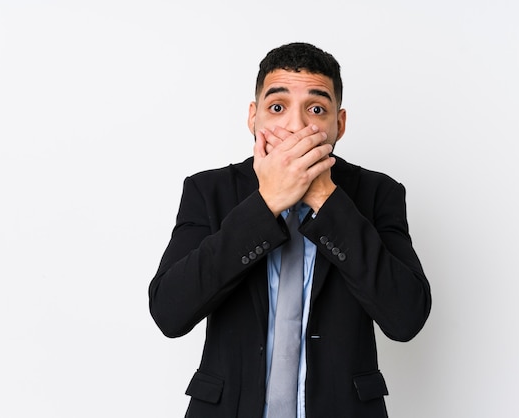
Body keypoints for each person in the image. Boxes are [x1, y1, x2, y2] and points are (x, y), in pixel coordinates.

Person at [149, 42, 431, 418]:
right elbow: (169, 312)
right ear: (254, 118)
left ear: (339, 124)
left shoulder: (378, 194)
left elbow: (406, 316)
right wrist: (265, 203)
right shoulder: (209, 190)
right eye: (277, 107)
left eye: (316, 109)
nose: (296, 126)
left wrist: (325, 199)